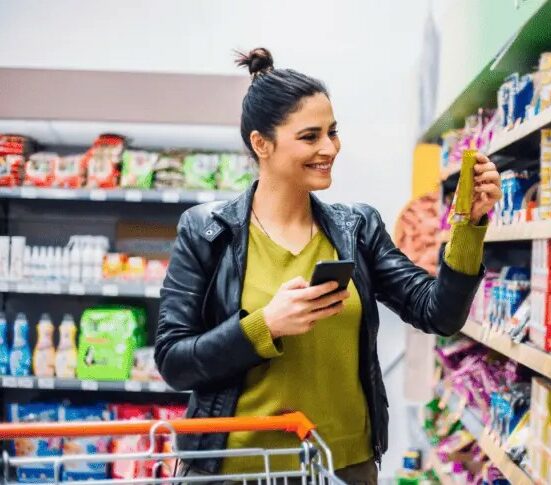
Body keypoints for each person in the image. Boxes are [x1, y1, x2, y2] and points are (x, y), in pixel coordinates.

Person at [154, 47, 502, 485]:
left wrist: (469, 226)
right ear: (262, 143)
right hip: (239, 468)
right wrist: (265, 325)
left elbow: (439, 314)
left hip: (343, 468)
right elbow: (174, 361)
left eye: (332, 132)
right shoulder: (207, 231)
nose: (329, 148)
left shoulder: (357, 228)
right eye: (310, 136)